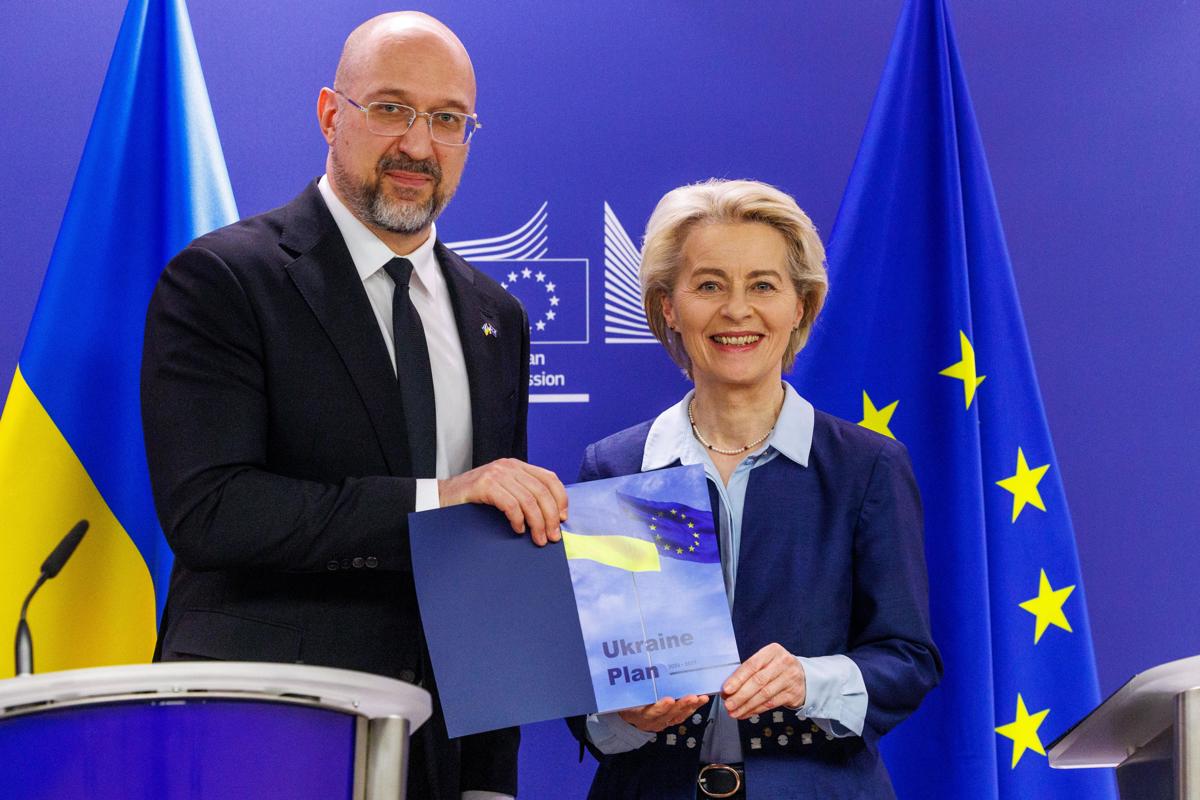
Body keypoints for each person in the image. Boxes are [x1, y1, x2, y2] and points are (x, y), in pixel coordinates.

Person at [141, 12, 567, 800]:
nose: (418, 144)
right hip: (261, 735)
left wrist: (490, 782)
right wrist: (438, 501)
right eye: (392, 109)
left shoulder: (496, 315)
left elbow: (490, 566)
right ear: (331, 114)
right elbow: (211, 511)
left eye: (447, 120)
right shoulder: (224, 280)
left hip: (437, 753)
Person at [567, 179, 942, 799]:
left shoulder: (867, 467)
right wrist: (620, 715)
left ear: (801, 307)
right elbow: (584, 677)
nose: (736, 310)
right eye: (709, 285)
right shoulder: (615, 466)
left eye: (763, 285)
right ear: (668, 307)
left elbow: (909, 659)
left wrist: (807, 679)